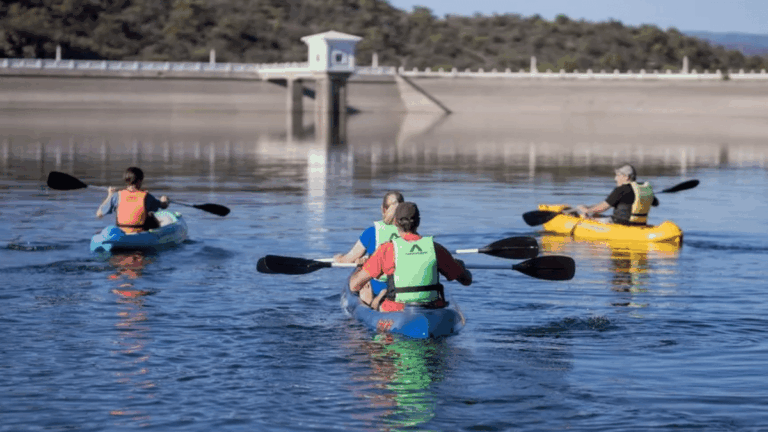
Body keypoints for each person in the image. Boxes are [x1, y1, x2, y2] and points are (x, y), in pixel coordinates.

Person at [349, 202, 472, 312]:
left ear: (395, 222)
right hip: (432, 310)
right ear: (418, 222)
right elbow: (466, 280)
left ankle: (373, 301)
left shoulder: (387, 249)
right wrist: (460, 266)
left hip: (396, 312)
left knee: (374, 300)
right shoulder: (436, 248)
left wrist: (361, 268)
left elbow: (354, 285)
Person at [335, 191, 404, 308]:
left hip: (377, 286)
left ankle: (371, 300)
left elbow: (348, 259)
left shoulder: (372, 232)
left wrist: (338, 258)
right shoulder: (409, 231)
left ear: (383, 209)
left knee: (359, 277)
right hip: (403, 286)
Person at [576, 163, 659, 225]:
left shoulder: (621, 189)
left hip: (619, 223)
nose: (615, 178)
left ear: (627, 177)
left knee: (586, 216)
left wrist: (587, 210)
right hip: (640, 224)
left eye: (618, 175)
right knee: (595, 214)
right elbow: (656, 203)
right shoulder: (642, 189)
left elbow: (603, 207)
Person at [96, 167, 169, 234]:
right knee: (151, 215)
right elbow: (163, 206)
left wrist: (109, 195)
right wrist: (164, 200)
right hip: (141, 232)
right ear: (140, 180)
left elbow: (99, 214)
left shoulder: (116, 196)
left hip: (122, 233)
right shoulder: (147, 196)